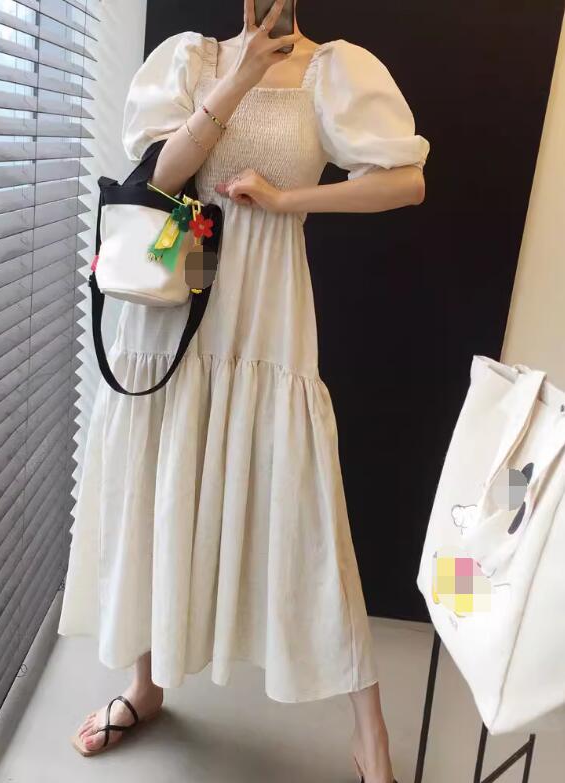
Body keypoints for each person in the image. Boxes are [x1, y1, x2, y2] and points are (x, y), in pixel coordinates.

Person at [58, 1, 430, 780]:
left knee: (309, 507)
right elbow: (160, 177)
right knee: (161, 477)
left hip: (267, 311)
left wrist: (291, 201)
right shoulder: (190, 61)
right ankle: (146, 685)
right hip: (176, 300)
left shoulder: (333, 72)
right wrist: (240, 77)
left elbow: (406, 182)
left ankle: (371, 738)